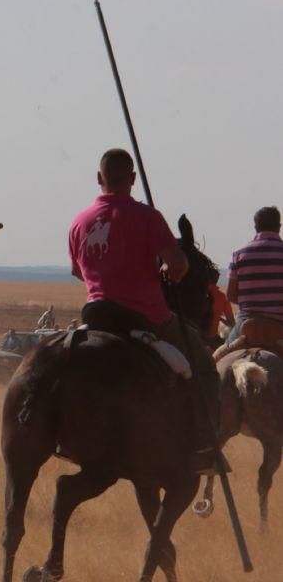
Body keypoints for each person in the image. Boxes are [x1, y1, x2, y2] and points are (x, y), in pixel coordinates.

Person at [68, 148, 221, 474]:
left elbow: (78, 272)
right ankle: (204, 449)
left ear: (99, 179)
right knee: (205, 366)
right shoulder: (148, 217)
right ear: (133, 180)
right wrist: (169, 268)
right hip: (145, 315)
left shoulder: (79, 222)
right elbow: (179, 265)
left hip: (95, 314)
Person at [225, 206, 283, 343]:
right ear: (279, 226)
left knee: (216, 360)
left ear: (256, 227)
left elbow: (231, 295)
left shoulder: (238, 254)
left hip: (246, 324)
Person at [207, 269, 235, 347]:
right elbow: (232, 323)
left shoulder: (197, 294)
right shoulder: (222, 297)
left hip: (197, 338)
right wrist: (219, 318)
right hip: (212, 339)